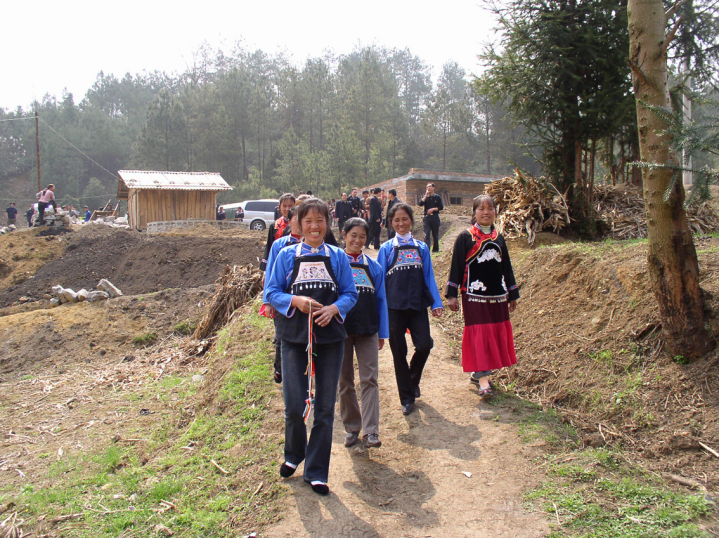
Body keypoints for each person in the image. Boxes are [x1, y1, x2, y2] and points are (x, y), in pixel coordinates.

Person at [265, 198, 358, 496]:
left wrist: (334, 309)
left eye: (320, 220)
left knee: (325, 410)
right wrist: (295, 300)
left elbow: (350, 294)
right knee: (294, 405)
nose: (314, 226)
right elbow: (271, 292)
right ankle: (294, 454)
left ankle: (316, 471)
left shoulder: (338, 257)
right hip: (293, 339)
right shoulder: (286, 255)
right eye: (308, 221)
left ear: (328, 224)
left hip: (330, 340)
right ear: (299, 224)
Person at [446, 195, 519, 396]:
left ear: (495, 212)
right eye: (481, 208)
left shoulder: (499, 238)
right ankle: (484, 381)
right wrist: (452, 295)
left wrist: (512, 294)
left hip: (498, 296)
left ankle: (478, 373)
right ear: (474, 212)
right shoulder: (465, 237)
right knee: (479, 334)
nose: (486, 212)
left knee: (492, 335)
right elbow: (456, 267)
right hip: (473, 296)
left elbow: (507, 267)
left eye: (490, 208)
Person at [378, 203, 443, 416]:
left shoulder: (421, 248)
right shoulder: (387, 249)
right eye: (396, 220)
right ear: (391, 223)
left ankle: (412, 380)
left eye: (404, 219)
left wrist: (436, 303)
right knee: (399, 353)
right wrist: (378, 310)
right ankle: (406, 398)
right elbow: (379, 281)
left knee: (424, 345)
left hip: (417, 305)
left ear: (411, 221)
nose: (401, 223)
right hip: (394, 308)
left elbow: (428, 276)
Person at [339, 218, 389, 449]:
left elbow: (381, 300)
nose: (357, 240)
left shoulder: (374, 267)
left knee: (369, 379)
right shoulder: (335, 264)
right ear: (344, 235)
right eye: (353, 235)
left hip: (368, 330)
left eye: (362, 236)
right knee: (344, 380)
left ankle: (371, 431)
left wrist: (382, 333)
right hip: (340, 331)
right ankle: (352, 427)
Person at [263, 207, 302, 384]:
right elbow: (271, 271)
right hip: (283, 298)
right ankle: (280, 368)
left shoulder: (315, 244)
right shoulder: (280, 245)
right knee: (281, 334)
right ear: (289, 220)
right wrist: (268, 301)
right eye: (297, 218)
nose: (300, 222)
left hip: (305, 299)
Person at [260, 193, 296, 273]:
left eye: (290, 206)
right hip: (278, 263)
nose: (287, 209)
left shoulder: (300, 224)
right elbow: (269, 247)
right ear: (279, 207)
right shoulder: (275, 226)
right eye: (284, 206)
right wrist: (266, 270)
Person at [418, 183, 444, 253]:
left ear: (433, 188)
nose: (428, 188)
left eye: (430, 186)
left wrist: (433, 209)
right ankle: (427, 250)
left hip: (435, 217)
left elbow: (441, 207)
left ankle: (435, 249)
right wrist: (426, 195)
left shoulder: (437, 197)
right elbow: (420, 204)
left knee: (435, 234)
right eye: (427, 187)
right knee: (427, 234)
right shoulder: (426, 197)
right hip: (427, 218)